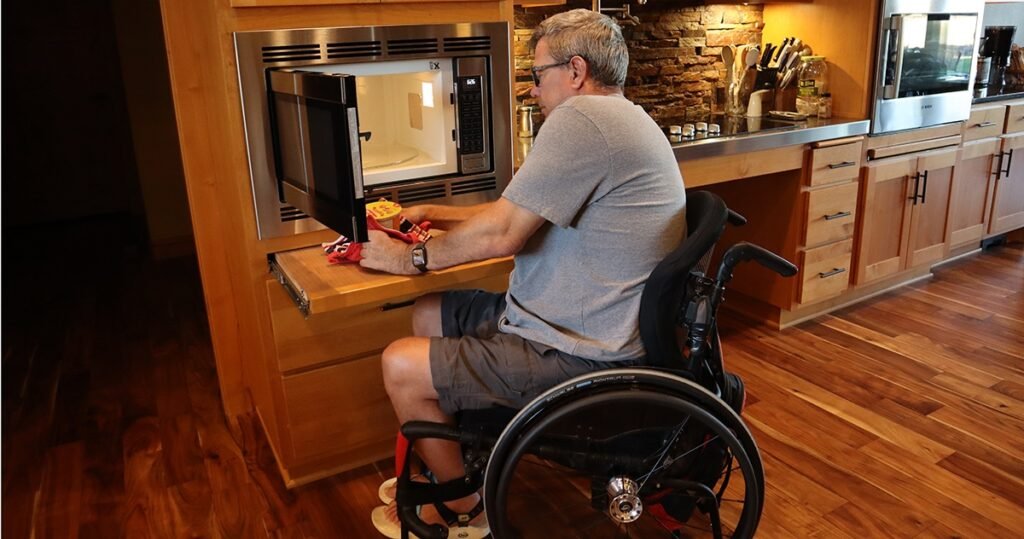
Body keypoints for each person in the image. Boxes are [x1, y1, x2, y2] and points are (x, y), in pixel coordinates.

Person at [360, 8, 686, 538]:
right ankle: (464, 460)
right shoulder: (621, 117)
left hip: (579, 351)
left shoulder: (583, 119)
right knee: (427, 312)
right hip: (564, 321)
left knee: (400, 363)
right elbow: (517, 211)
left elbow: (504, 234)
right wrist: (437, 216)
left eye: (538, 75)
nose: (533, 90)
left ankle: (466, 508)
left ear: (576, 70)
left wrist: (404, 258)